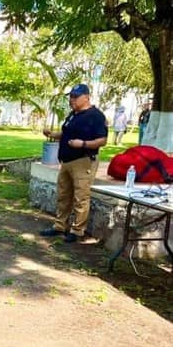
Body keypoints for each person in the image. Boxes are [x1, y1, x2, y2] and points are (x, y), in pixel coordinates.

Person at [40, 84, 108, 243]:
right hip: (66, 161)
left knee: (80, 197)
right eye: (71, 97)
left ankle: (77, 230)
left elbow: (103, 140)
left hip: (83, 160)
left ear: (86, 97)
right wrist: (52, 134)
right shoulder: (73, 114)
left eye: (76, 97)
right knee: (63, 195)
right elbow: (66, 133)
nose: (72, 100)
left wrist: (82, 144)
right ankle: (60, 225)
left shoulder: (96, 115)